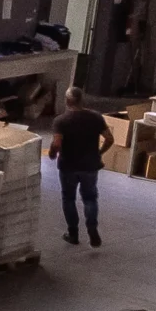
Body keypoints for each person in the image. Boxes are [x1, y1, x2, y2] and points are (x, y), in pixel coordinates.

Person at [50, 86, 109, 247]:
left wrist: (52, 153)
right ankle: (92, 230)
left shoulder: (61, 121)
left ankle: (73, 233)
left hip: (68, 165)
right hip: (90, 166)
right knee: (90, 198)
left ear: (67, 101)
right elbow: (109, 139)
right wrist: (99, 153)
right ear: (82, 100)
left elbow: (56, 143)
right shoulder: (96, 117)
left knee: (68, 198)